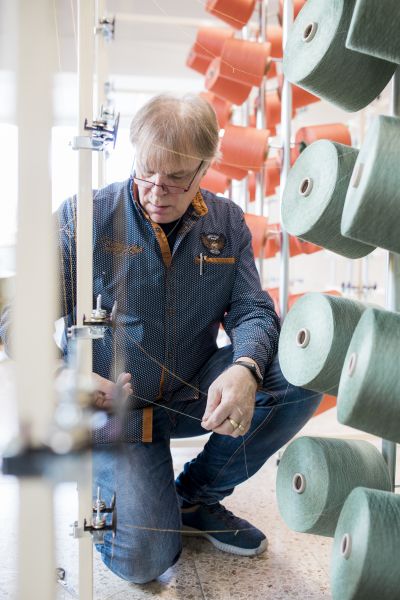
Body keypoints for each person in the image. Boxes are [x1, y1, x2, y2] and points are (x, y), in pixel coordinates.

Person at [0, 93, 321, 584]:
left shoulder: (227, 222)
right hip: (114, 410)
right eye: (146, 171)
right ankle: (109, 481)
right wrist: (62, 373)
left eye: (176, 178)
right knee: (145, 562)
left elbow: (253, 309)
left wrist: (245, 368)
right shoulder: (85, 218)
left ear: (206, 167)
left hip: (193, 392)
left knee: (304, 370)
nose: (156, 190)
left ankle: (195, 497)